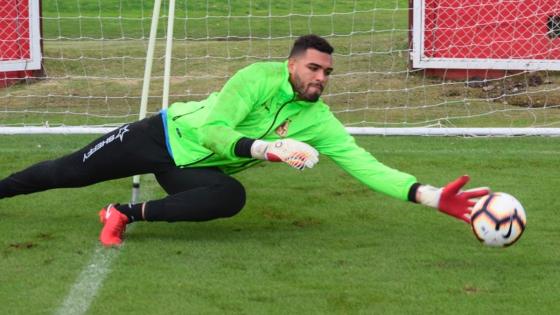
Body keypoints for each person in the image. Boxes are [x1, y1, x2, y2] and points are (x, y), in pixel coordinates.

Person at [0, 34, 489, 247]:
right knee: (66, 173)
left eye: (327, 72)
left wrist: (428, 195)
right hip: (164, 136)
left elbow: (364, 164)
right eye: (313, 68)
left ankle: (123, 214)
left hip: (190, 169)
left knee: (230, 196)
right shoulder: (256, 78)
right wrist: (266, 148)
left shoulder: (318, 120)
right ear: (293, 63)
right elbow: (214, 133)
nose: (320, 78)